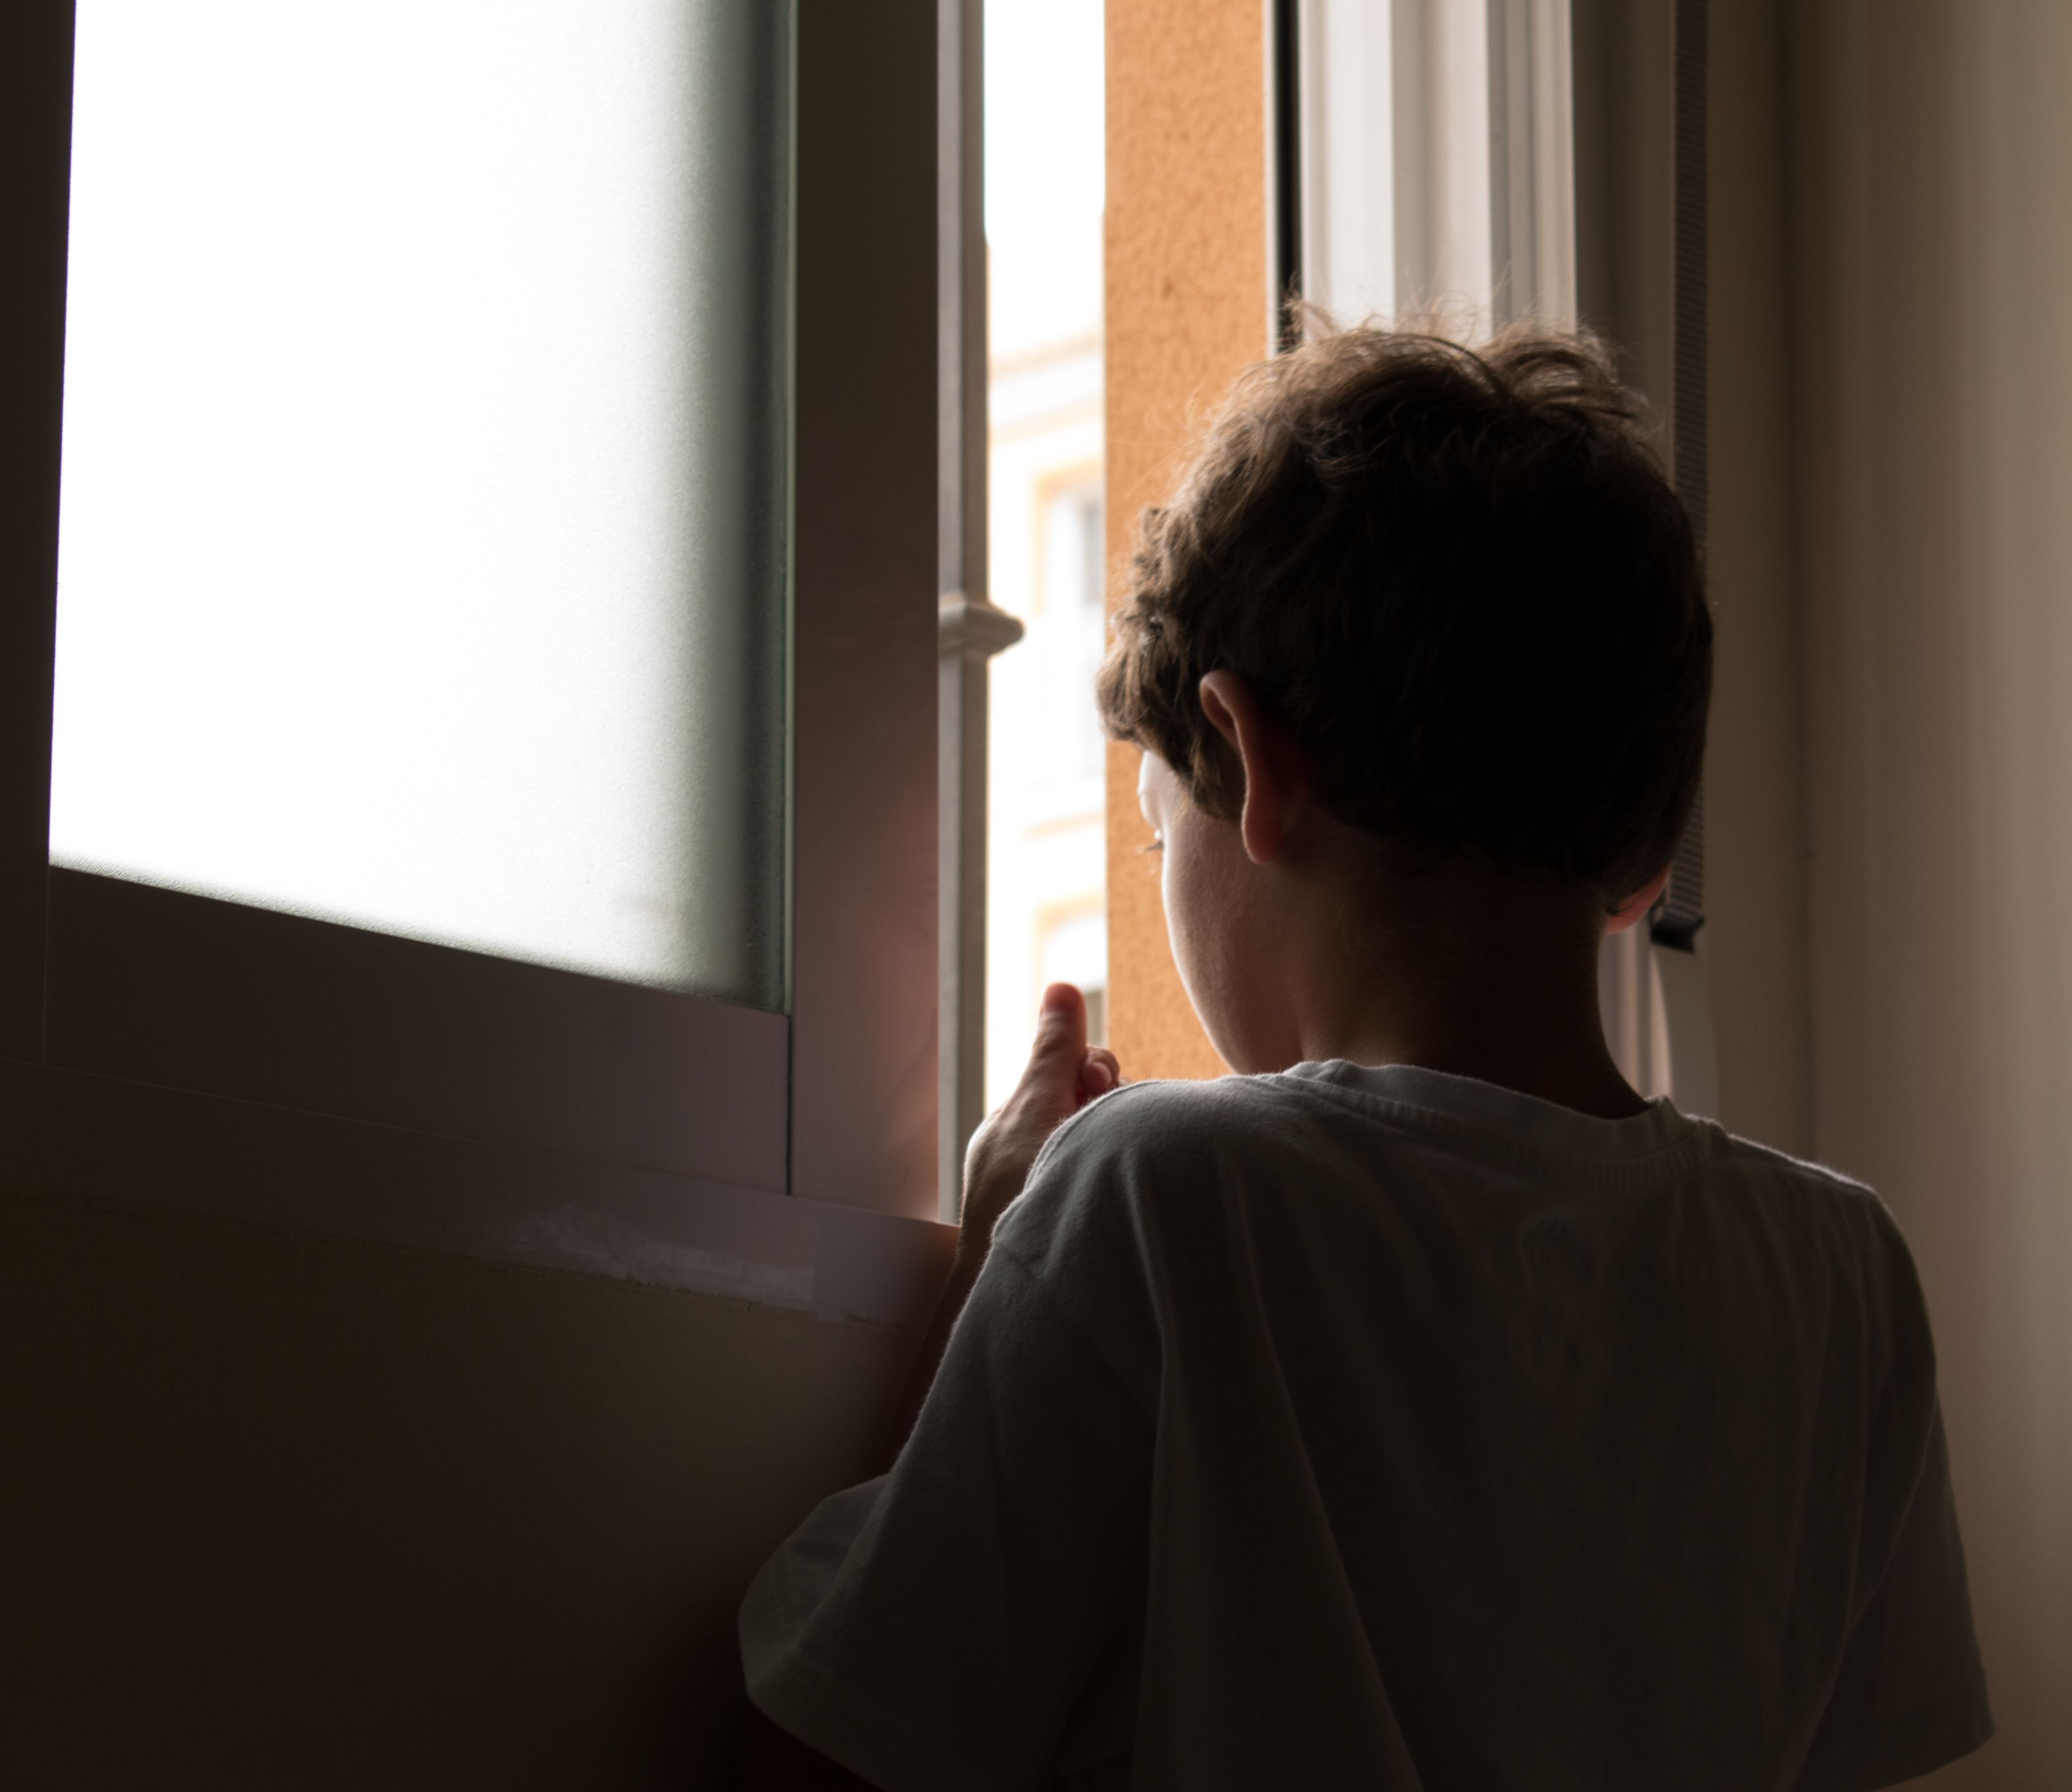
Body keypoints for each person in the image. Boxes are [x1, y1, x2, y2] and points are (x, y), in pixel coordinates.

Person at [730, 324, 1991, 1790]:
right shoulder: (1841, 1271)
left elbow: (844, 1742)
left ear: (1250, 765)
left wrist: (989, 1262)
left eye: (1158, 833)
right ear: (1647, 855)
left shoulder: (1154, 1193)